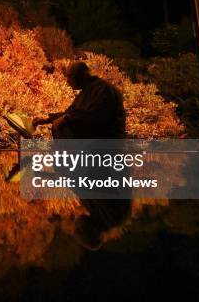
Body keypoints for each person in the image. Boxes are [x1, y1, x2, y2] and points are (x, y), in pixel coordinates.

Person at [33, 61, 131, 251]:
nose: (68, 82)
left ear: (83, 75)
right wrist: (47, 119)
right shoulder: (107, 216)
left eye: (70, 77)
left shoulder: (103, 91)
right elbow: (73, 113)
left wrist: (49, 176)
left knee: (64, 126)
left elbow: (94, 117)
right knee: (63, 124)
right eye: (68, 77)